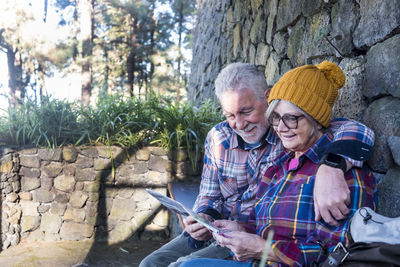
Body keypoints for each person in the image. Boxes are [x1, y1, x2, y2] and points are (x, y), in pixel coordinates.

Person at [139, 62, 375, 267]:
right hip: (230, 231)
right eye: (230, 115)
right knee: (150, 263)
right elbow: (212, 197)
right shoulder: (227, 141)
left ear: (267, 97)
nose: (239, 124)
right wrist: (205, 218)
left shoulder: (291, 141)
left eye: (246, 111)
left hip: (257, 246)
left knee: (184, 265)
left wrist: (332, 166)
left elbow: (352, 130)